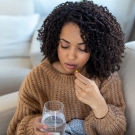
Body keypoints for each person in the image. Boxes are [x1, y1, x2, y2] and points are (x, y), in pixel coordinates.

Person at [7, 0, 127, 135]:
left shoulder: (105, 75)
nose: (71, 56)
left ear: (95, 49)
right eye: (64, 45)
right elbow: (17, 127)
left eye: (82, 48)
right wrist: (33, 128)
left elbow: (117, 130)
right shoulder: (37, 78)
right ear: (54, 42)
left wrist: (99, 104)